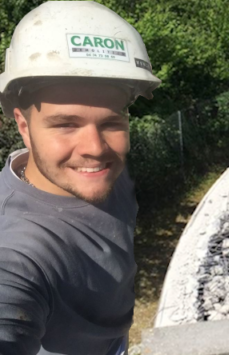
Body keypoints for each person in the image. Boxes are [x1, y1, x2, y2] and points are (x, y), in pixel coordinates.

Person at [0, 1, 160, 354]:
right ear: (24, 127)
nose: (95, 148)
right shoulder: (15, 253)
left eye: (111, 122)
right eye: (66, 124)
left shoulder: (104, 175)